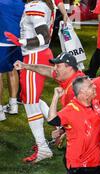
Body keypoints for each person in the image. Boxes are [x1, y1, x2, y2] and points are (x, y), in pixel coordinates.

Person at [9, 0, 55, 163]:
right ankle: (58, 127)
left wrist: (22, 42)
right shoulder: (43, 4)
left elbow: (44, 37)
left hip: (35, 55)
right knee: (28, 97)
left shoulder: (34, 7)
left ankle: (43, 147)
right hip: (39, 54)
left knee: (30, 102)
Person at [0, 0, 24, 121]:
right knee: (13, 69)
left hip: (2, 40)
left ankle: (0, 111)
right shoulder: (20, 3)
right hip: (16, 41)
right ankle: (13, 104)